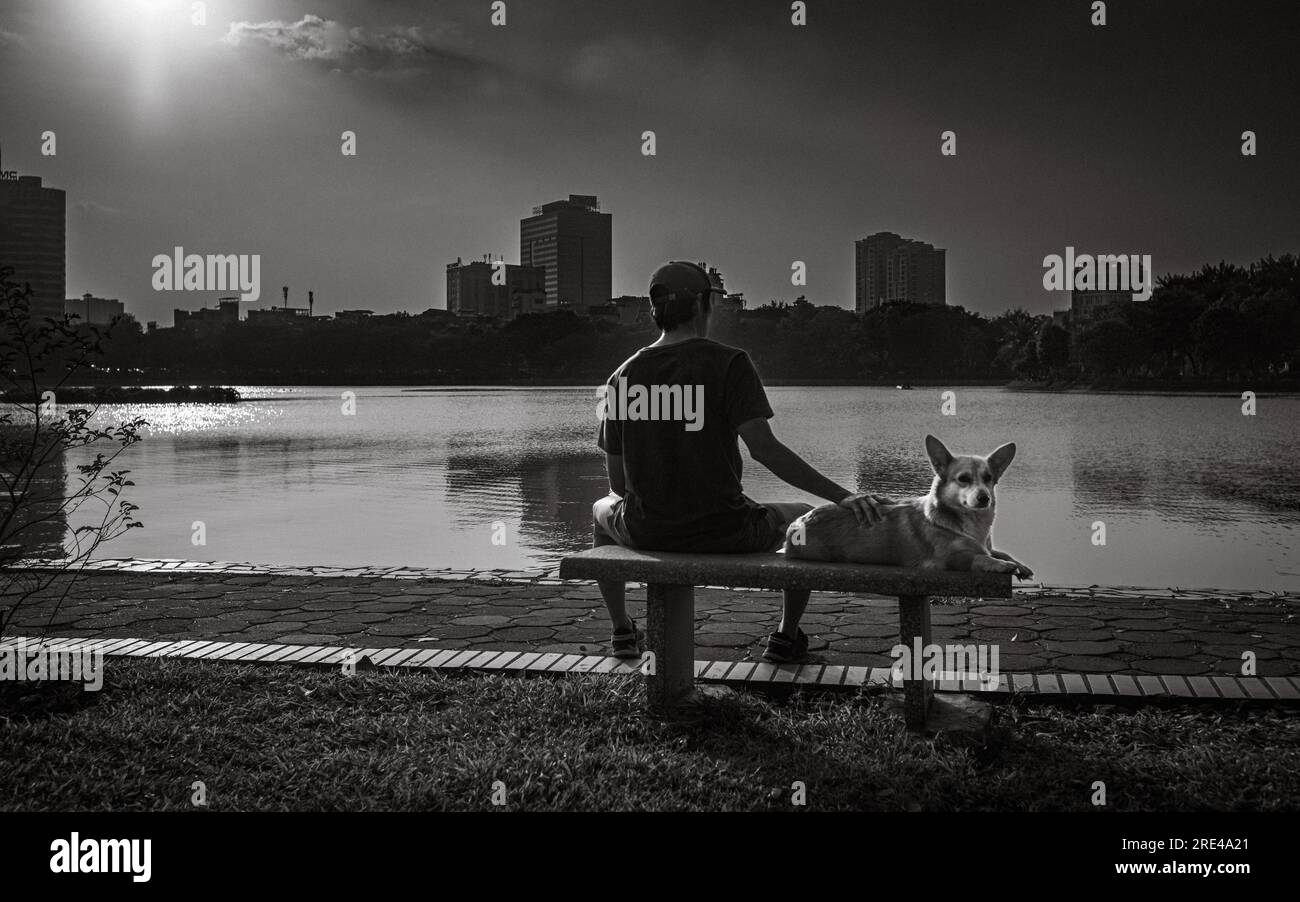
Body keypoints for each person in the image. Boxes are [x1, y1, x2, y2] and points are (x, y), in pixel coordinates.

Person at [593, 260, 889, 664]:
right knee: (802, 516)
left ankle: (622, 633)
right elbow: (765, 450)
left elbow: (618, 483)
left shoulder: (620, 378)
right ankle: (785, 638)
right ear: (702, 305)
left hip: (647, 531)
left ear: (654, 310)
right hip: (727, 530)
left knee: (600, 510)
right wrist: (842, 496)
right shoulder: (729, 363)